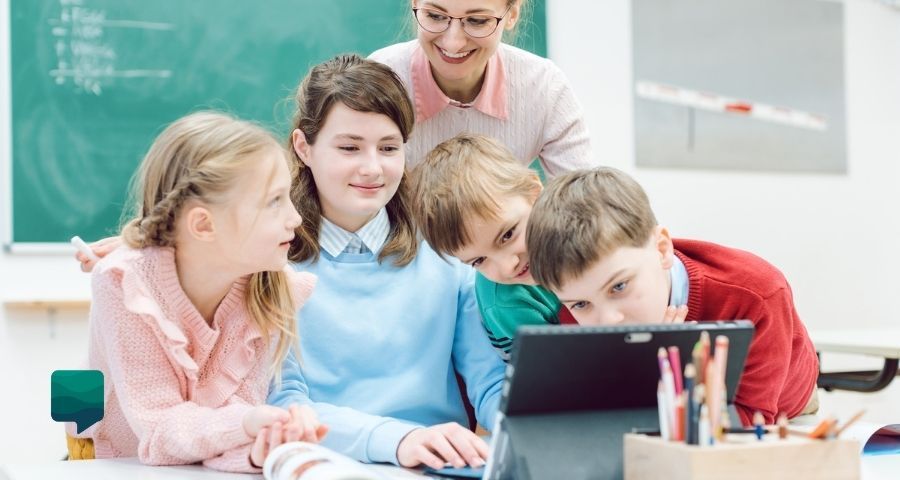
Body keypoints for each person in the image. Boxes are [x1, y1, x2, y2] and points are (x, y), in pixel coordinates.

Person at [266, 54, 505, 471]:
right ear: (304, 148)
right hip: (322, 464)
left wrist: (524, 428)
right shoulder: (269, 263)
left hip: (438, 467)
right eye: (349, 148)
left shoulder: (449, 258)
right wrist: (400, 439)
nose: (372, 168)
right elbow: (286, 405)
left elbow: (491, 384)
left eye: (389, 148)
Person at [74, 111, 325, 472]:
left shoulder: (269, 285)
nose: (296, 218)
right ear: (204, 225)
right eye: (274, 201)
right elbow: (160, 428)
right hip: (112, 461)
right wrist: (247, 424)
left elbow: (225, 430)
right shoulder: (124, 285)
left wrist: (260, 448)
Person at [525, 167, 820, 425]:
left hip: (786, 408)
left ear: (662, 249)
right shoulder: (570, 314)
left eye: (619, 287)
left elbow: (750, 417)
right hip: (678, 412)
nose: (608, 321)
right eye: (581, 304)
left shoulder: (757, 293)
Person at [409, 134, 687, 359]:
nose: (508, 265)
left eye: (507, 235)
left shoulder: (583, 238)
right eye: (479, 261)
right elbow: (569, 380)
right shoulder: (507, 302)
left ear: (534, 192)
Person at [369, 0, 595, 174]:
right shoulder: (377, 81)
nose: (453, 42)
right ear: (415, 4)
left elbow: (584, 210)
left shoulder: (545, 88)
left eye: (477, 20)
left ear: (512, 14)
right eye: (435, 16)